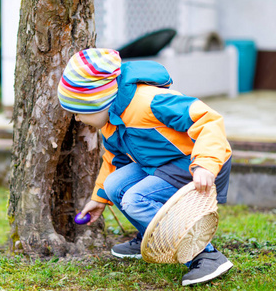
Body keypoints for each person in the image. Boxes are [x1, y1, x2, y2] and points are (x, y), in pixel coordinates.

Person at [57, 48, 233, 286]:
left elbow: (207, 120)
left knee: (135, 199)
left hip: (194, 163)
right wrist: (100, 198)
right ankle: (149, 237)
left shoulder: (148, 101)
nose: (77, 119)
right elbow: (114, 161)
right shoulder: (111, 122)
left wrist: (205, 164)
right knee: (113, 185)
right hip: (161, 165)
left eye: (79, 112)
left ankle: (205, 255)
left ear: (98, 102)